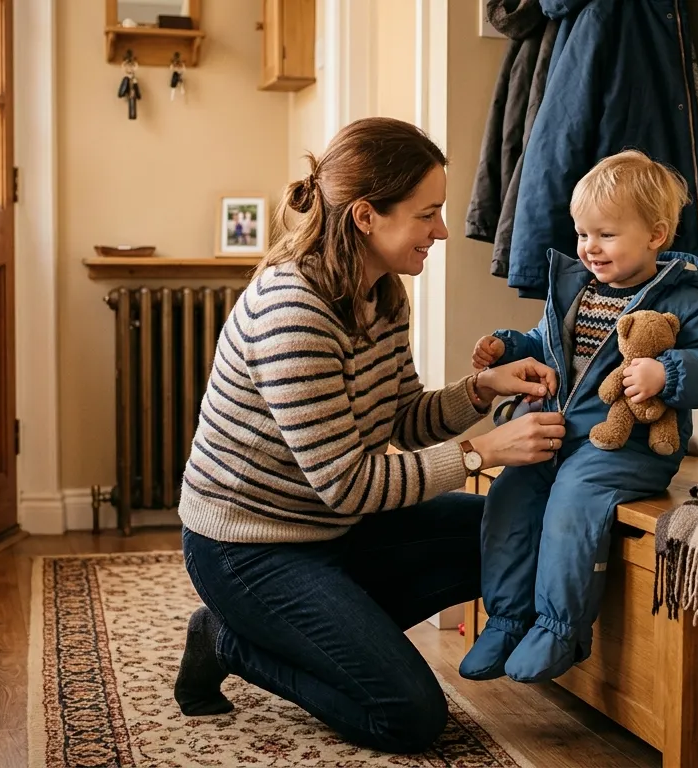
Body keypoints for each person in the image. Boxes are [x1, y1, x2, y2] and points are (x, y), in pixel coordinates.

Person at [171, 116, 569, 754]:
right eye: (427, 213)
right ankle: (228, 637)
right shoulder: (292, 312)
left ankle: (328, 630)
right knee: (407, 715)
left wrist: (484, 390)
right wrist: (478, 452)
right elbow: (349, 486)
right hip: (248, 549)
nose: (441, 230)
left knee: (506, 531)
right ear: (365, 217)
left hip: (330, 532)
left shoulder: (382, 294)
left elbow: (401, 417)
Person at [459, 149, 698, 684]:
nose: (589, 248)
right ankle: (507, 617)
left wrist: (668, 373)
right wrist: (508, 346)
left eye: (605, 235)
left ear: (656, 235)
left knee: (573, 501)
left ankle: (560, 628)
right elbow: (549, 346)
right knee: (511, 493)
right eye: (583, 234)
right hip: (560, 432)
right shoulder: (579, 291)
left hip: (625, 448)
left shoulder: (683, 300)